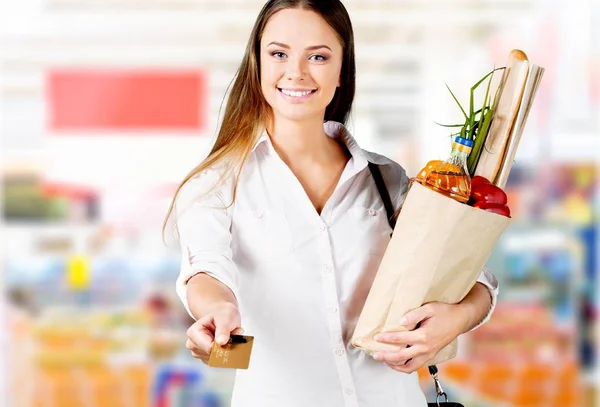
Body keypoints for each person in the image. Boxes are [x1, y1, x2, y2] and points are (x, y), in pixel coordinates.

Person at [164, 1, 498, 406]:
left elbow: (471, 276)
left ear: (342, 70)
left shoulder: (385, 179)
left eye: (318, 56)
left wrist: (456, 320)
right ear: (257, 64)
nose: (296, 72)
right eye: (278, 53)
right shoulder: (217, 184)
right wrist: (218, 317)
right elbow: (206, 270)